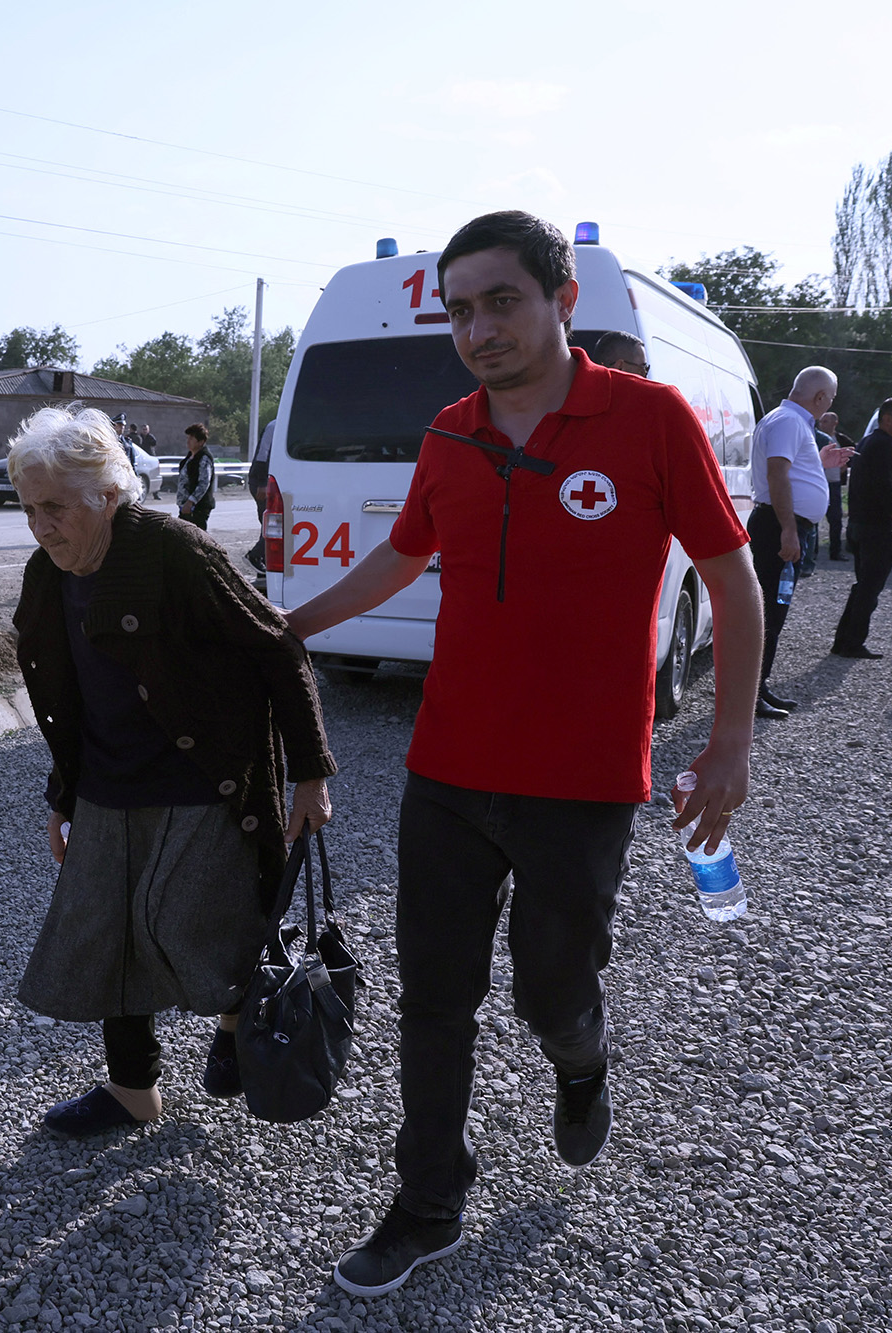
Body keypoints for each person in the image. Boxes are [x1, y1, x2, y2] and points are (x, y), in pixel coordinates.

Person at [282, 211, 760, 1298]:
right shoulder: (449, 431)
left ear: (561, 301)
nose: (477, 328)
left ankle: (580, 1060)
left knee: (550, 992)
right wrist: (285, 630)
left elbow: (730, 585)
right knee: (433, 998)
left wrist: (727, 745)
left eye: (500, 300)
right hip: (445, 770)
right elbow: (398, 560)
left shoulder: (646, 418)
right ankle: (426, 1202)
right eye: (457, 309)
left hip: (582, 781)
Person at [9, 403, 336, 1140]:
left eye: (55, 507)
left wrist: (311, 774)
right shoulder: (45, 576)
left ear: (108, 494)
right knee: (109, 941)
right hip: (105, 786)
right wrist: (63, 797)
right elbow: (68, 703)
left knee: (191, 922)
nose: (41, 525)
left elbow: (278, 650)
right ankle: (133, 1092)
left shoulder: (173, 550)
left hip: (201, 779)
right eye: (29, 509)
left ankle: (232, 1021)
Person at [747, 367, 850, 718]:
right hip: (778, 527)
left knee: (774, 611)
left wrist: (819, 464)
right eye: (830, 399)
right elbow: (776, 475)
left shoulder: (790, 420)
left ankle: (759, 686)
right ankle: (750, 694)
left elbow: (789, 472)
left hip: (783, 524)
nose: (829, 404)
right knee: (769, 614)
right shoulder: (790, 422)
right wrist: (788, 531)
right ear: (821, 397)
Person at [830, 399, 892, 658]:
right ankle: (851, 643)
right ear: (887, 419)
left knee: (863, 586)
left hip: (861, 525)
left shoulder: (871, 440)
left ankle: (844, 640)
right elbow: (883, 486)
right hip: (874, 528)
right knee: (869, 589)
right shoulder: (883, 443)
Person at [817, 411, 852, 561]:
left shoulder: (840, 439)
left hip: (834, 484)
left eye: (826, 421)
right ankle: (812, 554)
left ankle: (835, 552)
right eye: (821, 421)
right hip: (819, 483)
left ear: (834, 423)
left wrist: (845, 465)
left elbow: (854, 452)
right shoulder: (816, 439)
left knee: (836, 519)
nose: (822, 424)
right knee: (813, 519)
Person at [246, 418, 276, 571]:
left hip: (270, 481)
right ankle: (255, 556)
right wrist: (263, 483)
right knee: (273, 524)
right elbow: (262, 455)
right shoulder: (274, 426)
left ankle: (263, 564)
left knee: (269, 523)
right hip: (261, 482)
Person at [175, 423, 216, 529]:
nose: (188, 441)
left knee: (196, 537)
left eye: (192, 439)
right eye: (188, 438)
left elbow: (203, 483)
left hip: (197, 508)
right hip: (186, 507)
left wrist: (191, 502)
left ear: (201, 442)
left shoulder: (204, 458)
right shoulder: (190, 457)